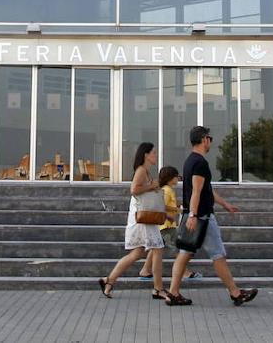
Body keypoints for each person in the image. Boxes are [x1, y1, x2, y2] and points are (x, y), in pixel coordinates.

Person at [165, 125, 258, 307]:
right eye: (210, 138)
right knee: (218, 254)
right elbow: (197, 192)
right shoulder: (200, 163)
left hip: (194, 216)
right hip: (202, 218)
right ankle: (235, 293)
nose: (210, 142)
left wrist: (225, 204)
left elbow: (206, 190)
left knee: (184, 254)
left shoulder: (189, 161)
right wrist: (193, 214)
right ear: (204, 139)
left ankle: (173, 294)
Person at [97, 142, 169, 300]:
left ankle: (109, 281)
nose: (156, 156)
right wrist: (151, 186)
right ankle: (158, 288)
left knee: (137, 253)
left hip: (142, 216)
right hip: (142, 218)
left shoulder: (146, 171)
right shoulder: (142, 171)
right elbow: (134, 190)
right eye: (154, 153)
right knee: (157, 249)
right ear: (146, 155)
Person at [139, 166, 201, 282]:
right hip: (167, 225)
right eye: (176, 176)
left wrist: (179, 204)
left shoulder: (166, 189)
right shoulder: (167, 190)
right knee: (177, 250)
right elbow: (161, 204)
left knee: (155, 248)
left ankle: (145, 270)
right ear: (170, 178)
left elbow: (168, 203)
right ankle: (185, 272)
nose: (178, 179)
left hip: (163, 226)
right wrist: (177, 210)